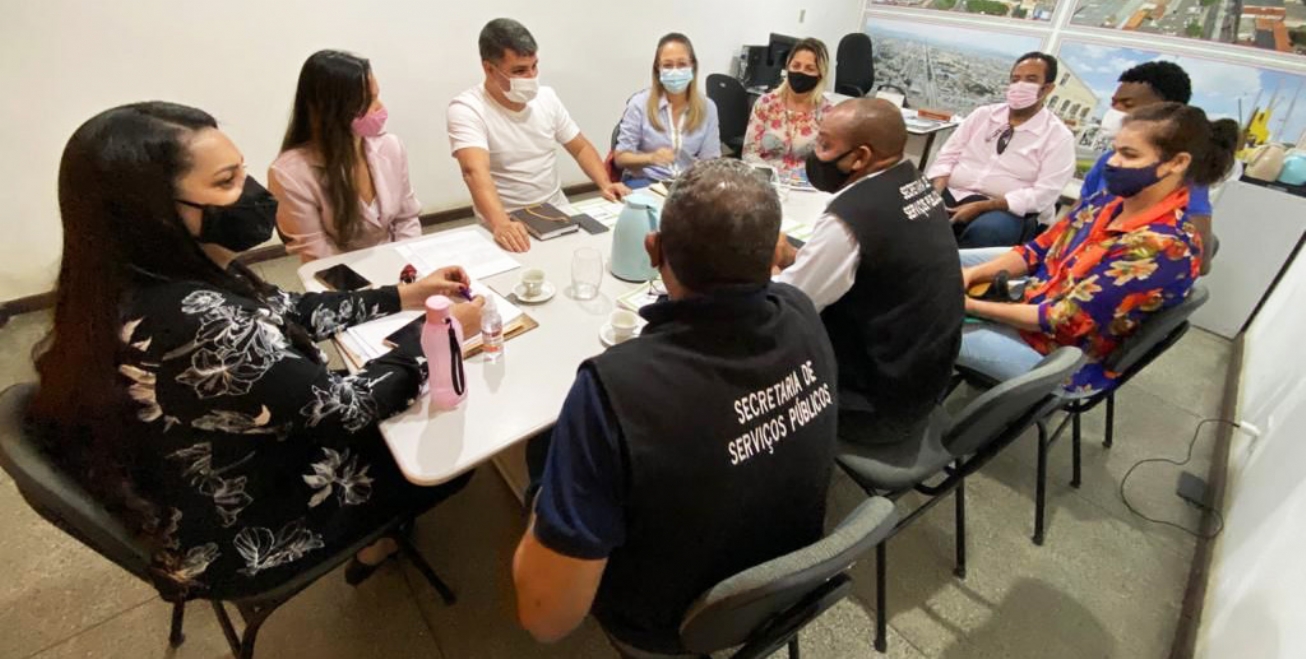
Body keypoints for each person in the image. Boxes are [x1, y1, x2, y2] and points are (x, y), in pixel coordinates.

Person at [28, 102, 484, 601]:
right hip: (245, 529)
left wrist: (404, 296)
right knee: (447, 457)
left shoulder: (142, 276)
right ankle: (376, 541)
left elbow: (289, 309)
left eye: (241, 170)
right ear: (154, 212)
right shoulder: (197, 323)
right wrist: (436, 333)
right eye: (226, 182)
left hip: (213, 471)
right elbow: (348, 408)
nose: (254, 194)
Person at [512, 159, 839, 655]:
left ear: (654, 249)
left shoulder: (614, 388)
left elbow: (546, 620)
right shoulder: (801, 311)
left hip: (670, 622)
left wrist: (544, 498)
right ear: (777, 252)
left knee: (542, 452)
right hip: (785, 583)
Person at [956, 103, 1239, 396]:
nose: (1113, 163)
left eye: (1129, 155)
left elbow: (1058, 320)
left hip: (1058, 358)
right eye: (1114, 151)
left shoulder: (1161, 247)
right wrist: (971, 275)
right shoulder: (1107, 203)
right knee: (947, 266)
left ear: (1177, 163)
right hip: (1034, 306)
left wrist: (967, 306)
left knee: (931, 323)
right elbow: (1037, 251)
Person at [774, 98, 963, 445]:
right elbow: (869, 268)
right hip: (922, 381)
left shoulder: (851, 218)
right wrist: (794, 258)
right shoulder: (914, 184)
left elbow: (787, 306)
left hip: (874, 405)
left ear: (860, 157)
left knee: (747, 354)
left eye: (825, 145)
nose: (815, 153)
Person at [448, 18, 630, 253]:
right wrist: (501, 224)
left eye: (534, 66)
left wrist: (605, 183)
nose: (531, 76)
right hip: (506, 220)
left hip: (557, 212)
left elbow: (580, 147)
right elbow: (474, 172)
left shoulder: (546, 98)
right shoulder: (467, 108)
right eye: (519, 71)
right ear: (489, 69)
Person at [269, 50, 423, 263]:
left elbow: (407, 218)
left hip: (399, 266)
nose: (380, 107)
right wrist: (380, 281)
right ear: (334, 110)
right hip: (340, 275)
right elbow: (318, 252)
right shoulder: (290, 174)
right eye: (368, 101)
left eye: (377, 96)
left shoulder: (390, 147)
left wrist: (409, 268)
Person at [927, 52, 1076, 248]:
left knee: (987, 233)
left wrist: (982, 206)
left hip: (1005, 207)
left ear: (1047, 88)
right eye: (1015, 79)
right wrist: (935, 193)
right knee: (908, 210)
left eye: (1031, 80)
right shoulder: (983, 115)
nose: (1020, 85)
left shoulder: (1058, 137)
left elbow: (1044, 194)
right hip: (952, 191)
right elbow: (947, 157)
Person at [1083, 61, 1219, 274]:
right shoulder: (1109, 161)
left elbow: (1198, 261)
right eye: (1114, 103)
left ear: (1164, 112)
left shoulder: (1185, 179)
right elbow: (1071, 225)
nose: (1116, 112)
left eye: (1127, 105)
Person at [613, 32, 721, 184]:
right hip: (646, 180)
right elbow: (620, 158)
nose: (675, 71)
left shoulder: (708, 107)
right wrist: (650, 158)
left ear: (692, 66)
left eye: (682, 64)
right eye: (668, 65)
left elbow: (711, 161)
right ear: (658, 68)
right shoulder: (639, 104)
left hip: (688, 184)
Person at [742, 38, 835, 185]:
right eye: (796, 66)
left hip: (807, 185)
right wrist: (773, 178)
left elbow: (828, 162)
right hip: (766, 181)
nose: (801, 72)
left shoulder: (827, 112)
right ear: (787, 67)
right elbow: (749, 152)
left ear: (820, 74)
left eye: (809, 69)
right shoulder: (766, 103)